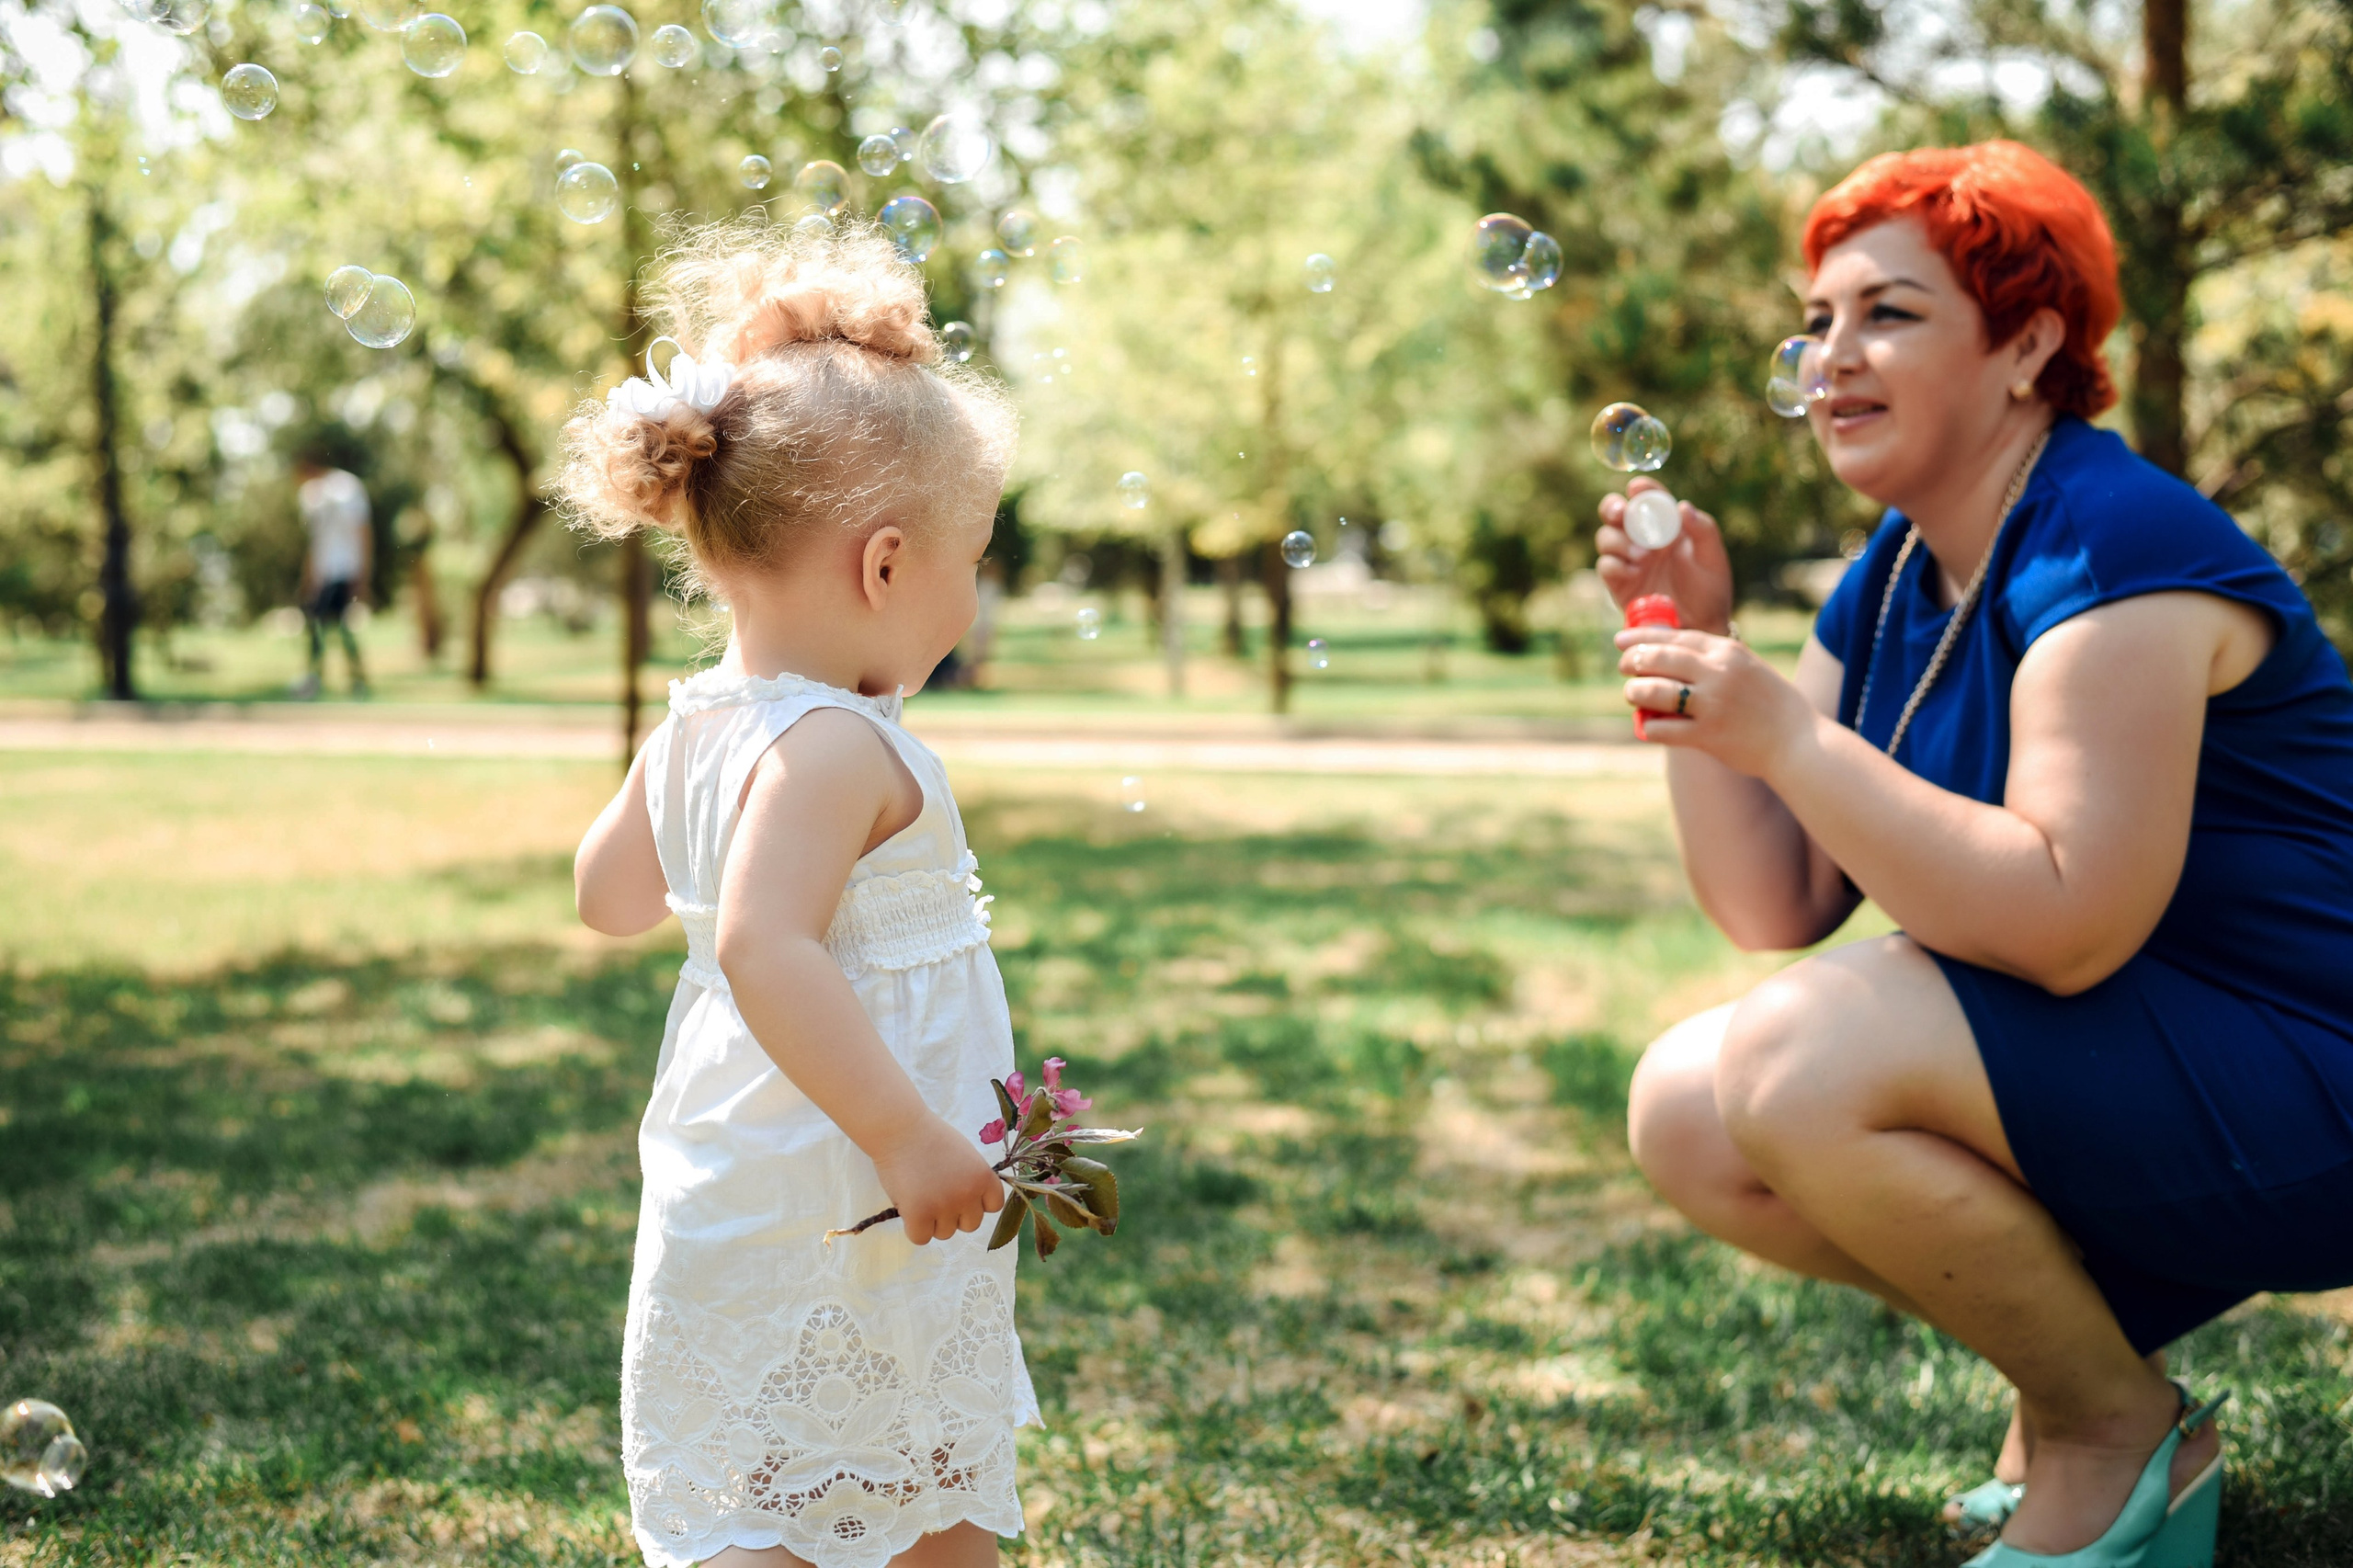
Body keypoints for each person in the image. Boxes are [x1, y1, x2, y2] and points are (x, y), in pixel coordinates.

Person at [1599, 140, 2353, 1568]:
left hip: (2318, 1072)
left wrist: (1788, 736)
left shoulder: (2115, 544)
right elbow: (1776, 900)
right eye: (1818, 320)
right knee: (1692, 1108)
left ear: (2028, 345)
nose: (1831, 356)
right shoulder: (1895, 569)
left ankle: (2104, 1435)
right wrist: (1681, 650)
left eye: (1888, 312)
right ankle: (2093, 1387)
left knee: (1795, 1058)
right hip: (2154, 1064)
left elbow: (2070, 921)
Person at [563, 219, 1031, 1568]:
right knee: (905, 1463)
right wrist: (905, 1133)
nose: (972, 591)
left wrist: (668, 786)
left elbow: (608, 897)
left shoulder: (703, 725)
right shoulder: (835, 745)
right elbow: (769, 944)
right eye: (974, 557)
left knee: (772, 1459)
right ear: (886, 567)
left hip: (736, 1171)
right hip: (850, 1174)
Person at [291, 450, 371, 699]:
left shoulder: (346, 488)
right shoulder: (311, 496)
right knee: (331, 624)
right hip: (326, 572)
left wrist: (363, 571)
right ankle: (351, 679)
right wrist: (311, 577)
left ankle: (324, 678)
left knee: (325, 622)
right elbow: (315, 543)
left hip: (344, 568)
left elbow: (362, 531)